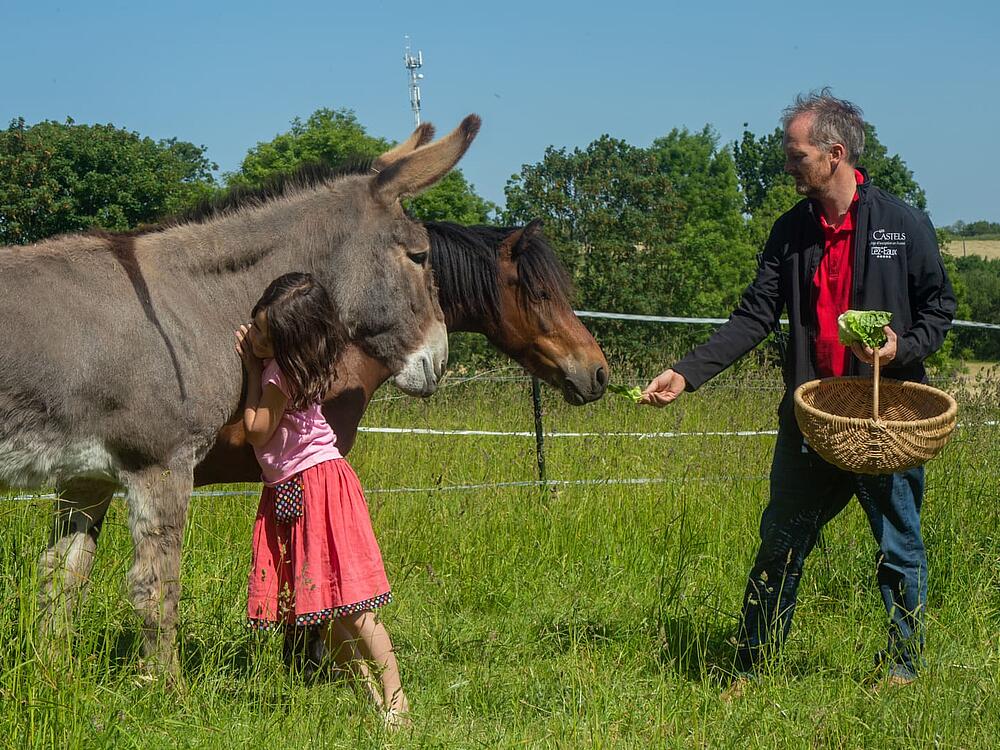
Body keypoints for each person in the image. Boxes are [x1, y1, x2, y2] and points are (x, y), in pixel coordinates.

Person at [640, 90, 956, 688]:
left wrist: (898, 349)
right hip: (811, 419)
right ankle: (753, 665)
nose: (787, 164)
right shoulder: (789, 232)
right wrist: (687, 373)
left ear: (835, 154)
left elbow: (940, 309)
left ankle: (904, 669)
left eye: (797, 154)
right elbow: (754, 317)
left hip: (882, 421)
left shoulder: (901, 223)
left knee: (898, 546)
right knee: (780, 546)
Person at [235, 271, 409, 726]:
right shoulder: (297, 364)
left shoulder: (277, 375)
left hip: (315, 490)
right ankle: (377, 705)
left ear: (289, 344)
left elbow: (257, 430)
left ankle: (397, 699)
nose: (253, 339)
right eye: (255, 327)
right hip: (300, 489)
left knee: (352, 610)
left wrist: (253, 373)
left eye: (264, 338)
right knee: (328, 611)